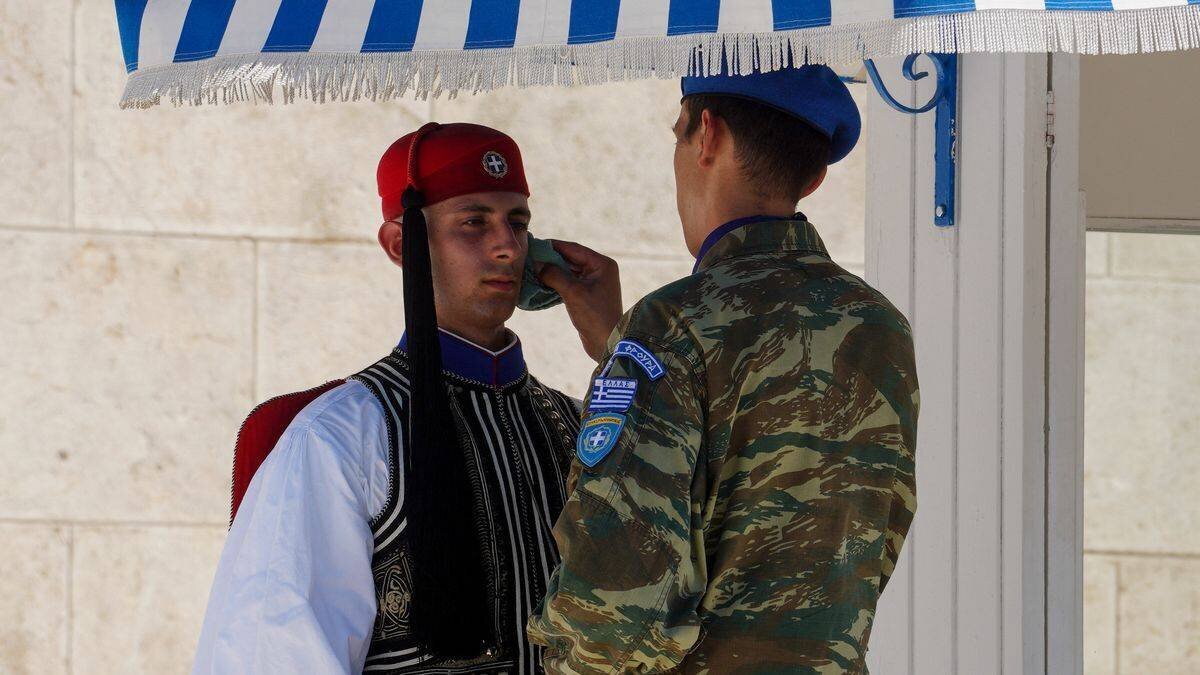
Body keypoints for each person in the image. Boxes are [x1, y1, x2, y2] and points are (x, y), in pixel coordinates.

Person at [526, 64, 921, 673]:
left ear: (706, 134)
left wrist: (637, 345)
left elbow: (616, 603)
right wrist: (619, 343)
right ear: (814, 178)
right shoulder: (877, 325)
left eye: (677, 134)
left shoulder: (672, 327)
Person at [194, 122, 585, 674]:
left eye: (518, 223)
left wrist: (616, 339)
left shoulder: (580, 426)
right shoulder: (341, 435)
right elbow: (277, 655)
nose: (507, 246)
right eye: (474, 222)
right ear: (403, 245)